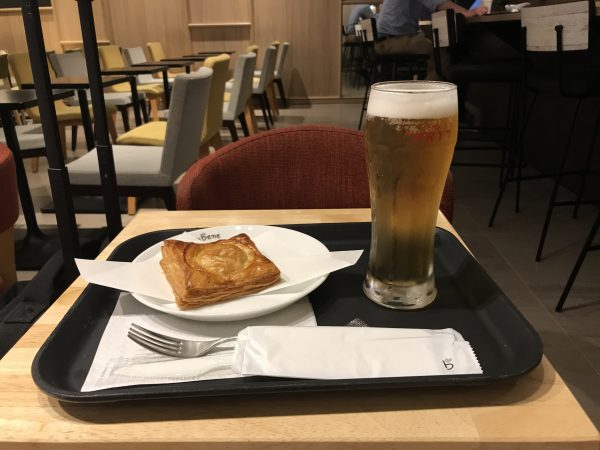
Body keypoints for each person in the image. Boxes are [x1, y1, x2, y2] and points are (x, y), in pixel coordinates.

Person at [375, 0, 487, 79]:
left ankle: (429, 92)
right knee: (441, 54)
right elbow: (441, 3)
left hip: (386, 41)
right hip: (393, 41)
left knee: (437, 46)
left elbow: (431, 14)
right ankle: (427, 97)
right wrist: (467, 12)